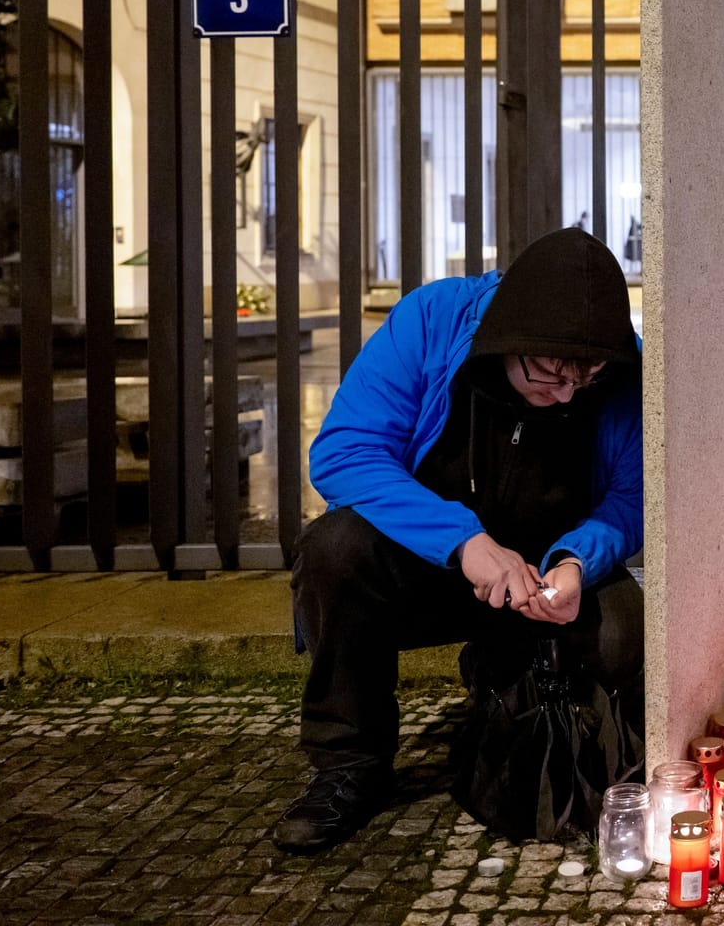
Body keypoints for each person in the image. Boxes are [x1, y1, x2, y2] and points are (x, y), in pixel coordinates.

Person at [275, 227, 645, 853]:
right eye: (549, 373)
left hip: (542, 578)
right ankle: (350, 767)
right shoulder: (432, 320)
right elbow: (343, 451)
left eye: (584, 379)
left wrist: (577, 560)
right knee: (334, 550)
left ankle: (505, 685)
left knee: (622, 630)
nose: (565, 393)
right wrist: (464, 542)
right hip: (430, 567)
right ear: (507, 339)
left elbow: (632, 496)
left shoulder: (613, 364)